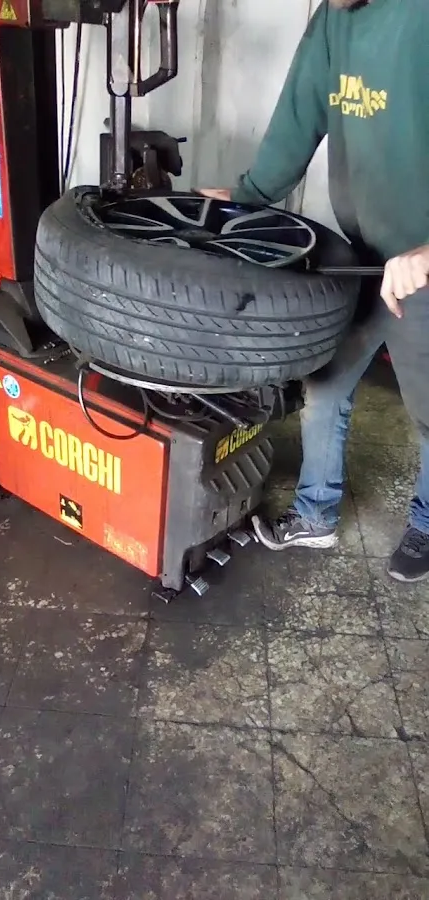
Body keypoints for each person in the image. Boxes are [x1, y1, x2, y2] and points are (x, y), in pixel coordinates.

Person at [200, 0, 429, 583]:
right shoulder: (335, 16)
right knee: (325, 382)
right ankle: (316, 513)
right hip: (367, 258)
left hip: (424, 267)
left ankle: (428, 523)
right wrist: (248, 196)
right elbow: (300, 114)